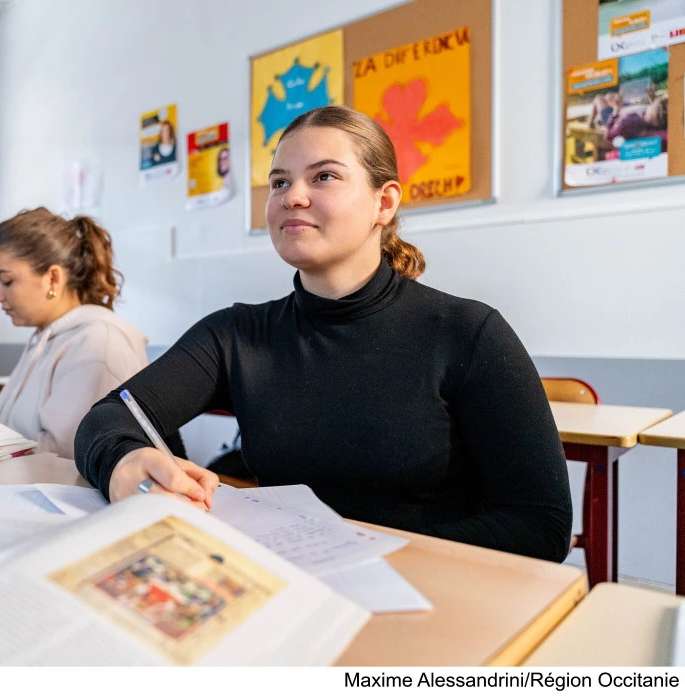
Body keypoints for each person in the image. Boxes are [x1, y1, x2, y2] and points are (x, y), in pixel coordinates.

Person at [75, 105, 573, 563]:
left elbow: (538, 526)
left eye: (325, 176)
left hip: (430, 596)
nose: (292, 196)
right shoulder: (237, 334)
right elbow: (109, 417)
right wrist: (124, 465)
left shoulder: (467, 332)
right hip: (289, 588)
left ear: (384, 202)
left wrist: (361, 553)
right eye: (278, 182)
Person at [0, 207, 170, 460]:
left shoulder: (98, 343)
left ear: (52, 278)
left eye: (6, 281)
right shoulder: (47, 338)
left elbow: (68, 457)